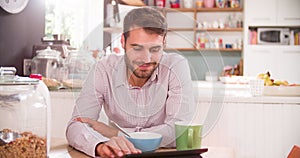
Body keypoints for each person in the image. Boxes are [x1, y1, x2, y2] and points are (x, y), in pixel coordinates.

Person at [66, 7, 196, 158]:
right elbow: (76, 125)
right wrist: (100, 145)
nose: (146, 59)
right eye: (137, 48)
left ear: (164, 42)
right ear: (123, 41)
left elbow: (178, 131)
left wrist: (117, 134)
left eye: (155, 49)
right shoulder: (103, 69)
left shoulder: (176, 66)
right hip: (119, 154)